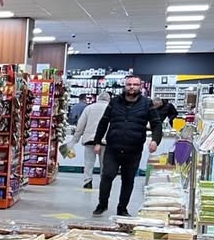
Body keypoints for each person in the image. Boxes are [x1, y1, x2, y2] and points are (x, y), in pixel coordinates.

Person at [92, 75, 163, 217]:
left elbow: (156, 124)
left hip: (134, 150)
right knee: (107, 175)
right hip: (113, 148)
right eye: (129, 84)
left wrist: (155, 140)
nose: (132, 87)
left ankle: (122, 208)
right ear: (125, 86)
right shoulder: (114, 102)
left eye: (135, 84)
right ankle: (102, 204)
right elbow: (103, 122)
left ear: (140, 87)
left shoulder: (147, 104)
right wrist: (97, 141)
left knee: (128, 180)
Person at [70, 91, 109, 190]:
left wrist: (75, 139)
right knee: (104, 163)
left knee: (88, 162)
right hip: (105, 141)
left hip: (89, 139)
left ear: (98, 98)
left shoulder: (89, 108)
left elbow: (80, 125)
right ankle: (104, 182)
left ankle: (88, 181)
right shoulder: (111, 108)